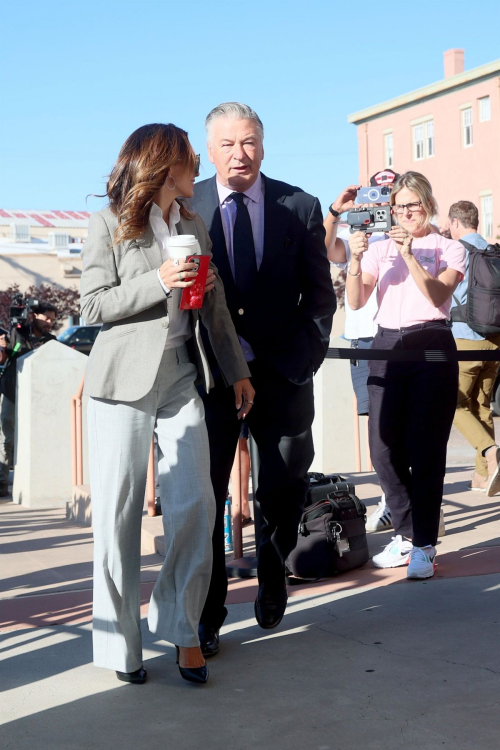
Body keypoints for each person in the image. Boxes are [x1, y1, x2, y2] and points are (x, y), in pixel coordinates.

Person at [80, 123, 254, 686]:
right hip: (120, 382)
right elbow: (92, 307)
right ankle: (120, 645)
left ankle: (183, 632)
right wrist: (158, 279)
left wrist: (236, 371)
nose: (198, 162)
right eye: (188, 156)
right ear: (162, 163)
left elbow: (216, 305)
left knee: (197, 506)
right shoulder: (108, 224)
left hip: (182, 376)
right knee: (118, 515)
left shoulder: (193, 223)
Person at [192, 102, 336, 655]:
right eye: (227, 144)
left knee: (281, 488)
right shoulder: (190, 207)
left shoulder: (298, 206)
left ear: (264, 145)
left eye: (249, 141)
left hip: (284, 375)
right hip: (212, 379)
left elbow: (320, 297)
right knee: (205, 495)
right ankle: (209, 609)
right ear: (211, 150)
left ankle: (273, 569)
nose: (239, 154)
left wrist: (308, 359)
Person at [347, 171, 465, 579]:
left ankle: (424, 546)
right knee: (382, 449)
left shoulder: (450, 247)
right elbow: (357, 300)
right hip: (385, 344)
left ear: (428, 204)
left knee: (426, 448)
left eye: (413, 205)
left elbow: (438, 295)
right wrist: (356, 258)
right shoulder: (381, 249)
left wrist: (411, 255)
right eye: (399, 206)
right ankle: (409, 531)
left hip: (432, 342)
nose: (406, 213)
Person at [325, 170, 400, 532]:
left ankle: (402, 502)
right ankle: (393, 498)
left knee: (398, 428)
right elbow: (328, 250)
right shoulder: (358, 236)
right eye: (374, 196)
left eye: (387, 196)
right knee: (377, 429)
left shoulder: (406, 235)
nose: (379, 204)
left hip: (396, 339)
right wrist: (336, 212)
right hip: (361, 341)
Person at [448, 200, 500, 496]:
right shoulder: (493, 250)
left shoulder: (457, 250)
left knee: (451, 402)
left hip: (465, 339)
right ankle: (485, 476)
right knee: (481, 407)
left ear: (456, 222)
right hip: (495, 341)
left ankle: (490, 451)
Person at [0, 306, 57, 496]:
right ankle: (2, 481)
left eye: (52, 319)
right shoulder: (17, 333)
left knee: (32, 438)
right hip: (10, 391)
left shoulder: (51, 341)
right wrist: (2, 347)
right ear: (35, 316)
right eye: (46, 318)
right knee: (6, 438)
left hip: (37, 397)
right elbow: (4, 358)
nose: (50, 322)